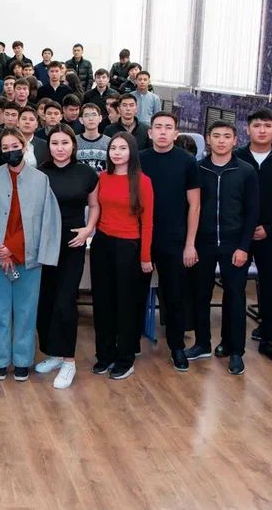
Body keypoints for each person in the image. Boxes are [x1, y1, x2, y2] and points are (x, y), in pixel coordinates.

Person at [0, 129, 61, 382]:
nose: (11, 151)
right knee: (0, 312)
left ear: (24, 146)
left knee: (26, 312)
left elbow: (42, 219)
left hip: (29, 256)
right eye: (5, 147)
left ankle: (22, 361)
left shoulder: (41, 180)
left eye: (15, 146)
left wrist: (12, 247)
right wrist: (2, 249)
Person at [187, 121, 259, 376]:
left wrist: (244, 246)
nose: (221, 140)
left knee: (235, 296)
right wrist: (190, 243)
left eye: (226, 136)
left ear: (235, 140)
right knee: (201, 295)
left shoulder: (246, 171)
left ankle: (235, 349)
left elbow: (252, 211)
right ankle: (202, 343)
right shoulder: (198, 168)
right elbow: (190, 207)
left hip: (234, 243)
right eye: (216, 136)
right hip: (203, 242)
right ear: (208, 139)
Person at [35, 125, 99, 389]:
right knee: (47, 301)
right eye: (54, 143)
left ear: (73, 145)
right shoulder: (40, 173)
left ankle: (69, 361)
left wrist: (88, 229)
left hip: (73, 243)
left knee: (65, 302)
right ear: (48, 146)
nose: (60, 148)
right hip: (45, 244)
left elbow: (94, 205)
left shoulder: (86, 173)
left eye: (64, 143)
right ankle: (54, 353)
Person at [234, 107, 272, 364]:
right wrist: (245, 228)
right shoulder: (237, 157)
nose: (262, 130)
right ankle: (231, 341)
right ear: (247, 129)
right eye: (257, 125)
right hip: (239, 235)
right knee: (235, 288)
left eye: (267, 126)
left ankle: (269, 340)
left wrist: (269, 228)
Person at [139, 111, 200, 372]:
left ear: (176, 133)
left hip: (174, 239)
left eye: (168, 127)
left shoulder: (187, 161)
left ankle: (177, 347)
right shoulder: (139, 159)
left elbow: (194, 205)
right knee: (135, 292)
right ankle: (129, 345)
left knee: (174, 295)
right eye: (158, 127)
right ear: (150, 132)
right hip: (141, 237)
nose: (162, 132)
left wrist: (190, 243)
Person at [89, 132, 154, 380]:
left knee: (126, 305)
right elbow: (95, 209)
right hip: (102, 243)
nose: (117, 152)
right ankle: (104, 355)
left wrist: (145, 256)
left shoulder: (143, 181)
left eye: (122, 148)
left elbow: (148, 222)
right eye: (113, 148)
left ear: (132, 152)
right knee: (102, 302)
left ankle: (125, 359)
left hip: (129, 246)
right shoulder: (102, 178)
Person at [75, 102, 110, 172]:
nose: (91, 118)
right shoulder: (74, 141)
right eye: (86, 115)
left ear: (100, 118)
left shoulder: (109, 142)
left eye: (94, 115)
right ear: (81, 120)